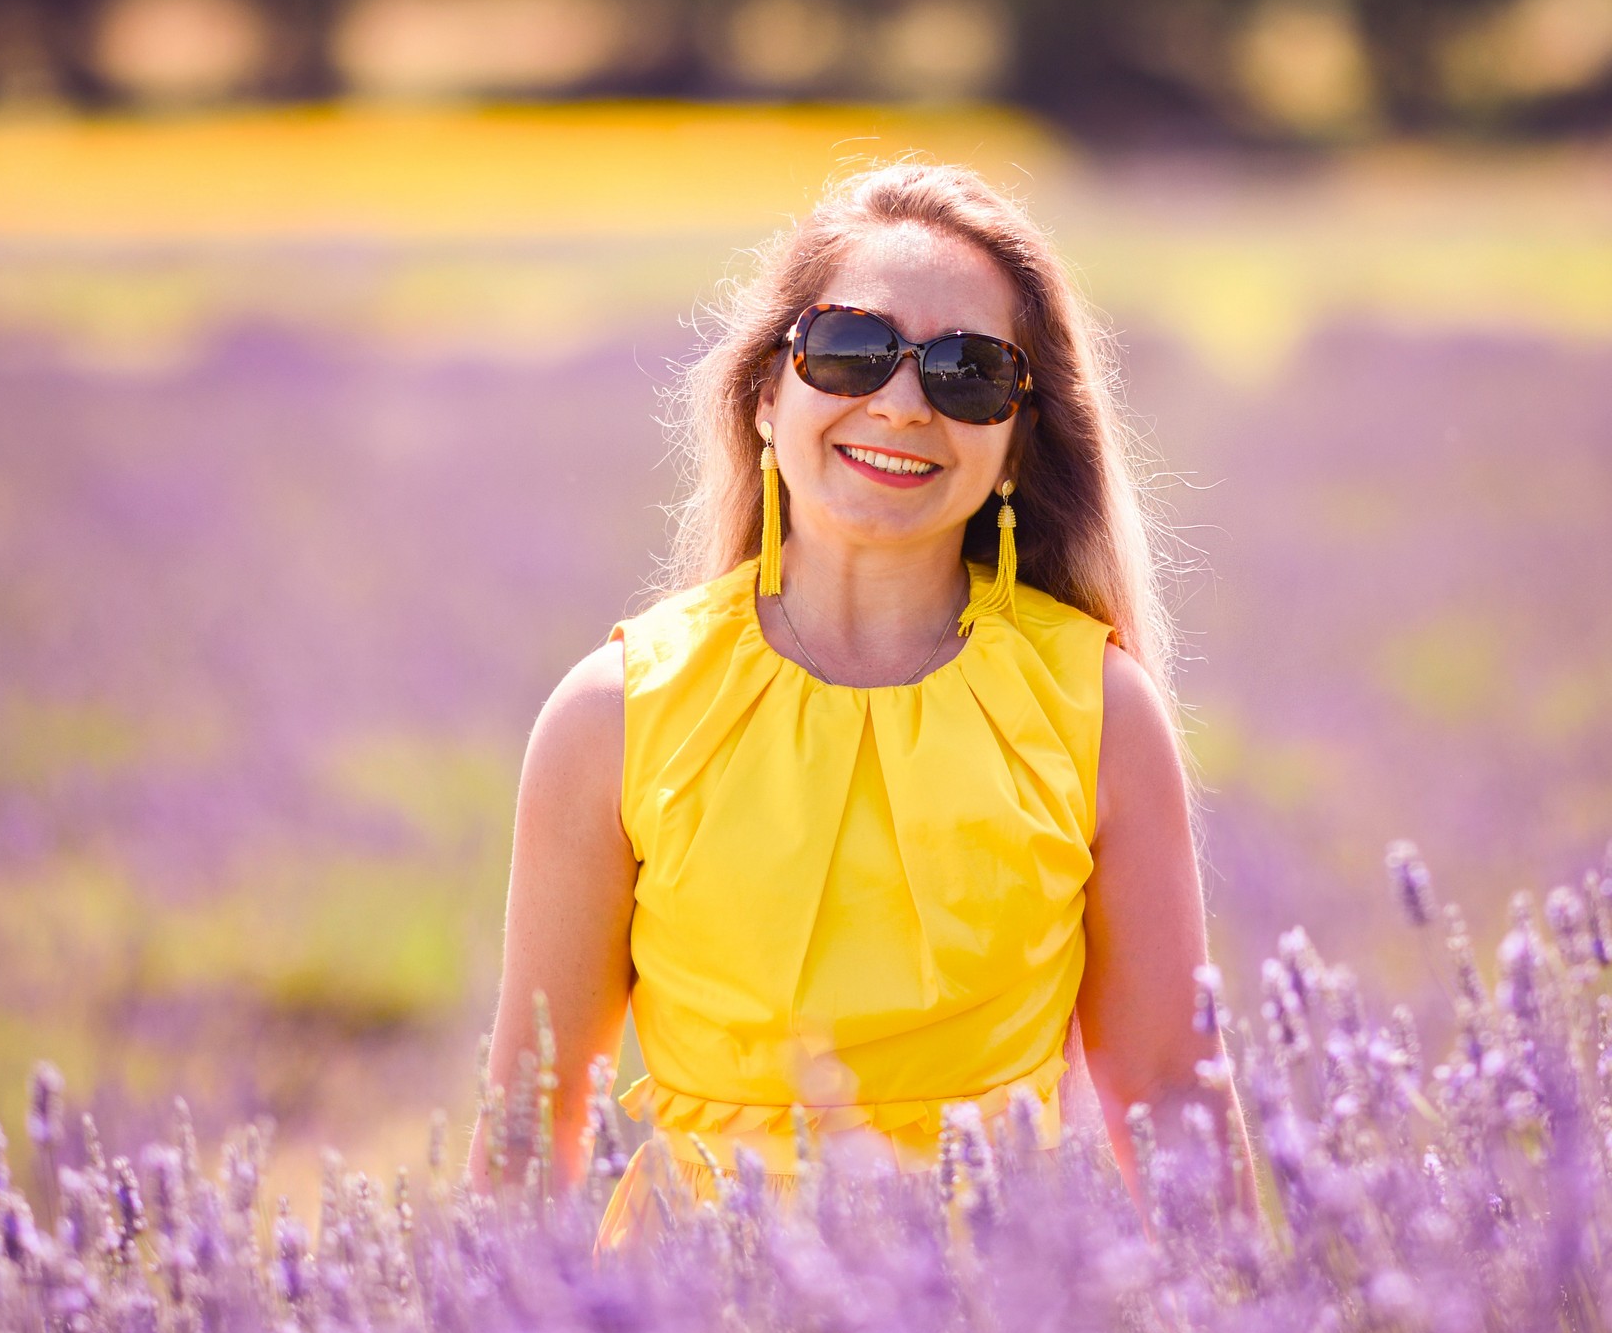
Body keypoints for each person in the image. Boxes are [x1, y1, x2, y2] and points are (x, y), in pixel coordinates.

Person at [469, 158, 1244, 1248]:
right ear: (763, 395)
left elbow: (1172, 1099)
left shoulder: (1098, 709)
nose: (901, 402)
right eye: (850, 349)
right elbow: (526, 1127)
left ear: (1017, 439)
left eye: (968, 371)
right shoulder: (617, 713)